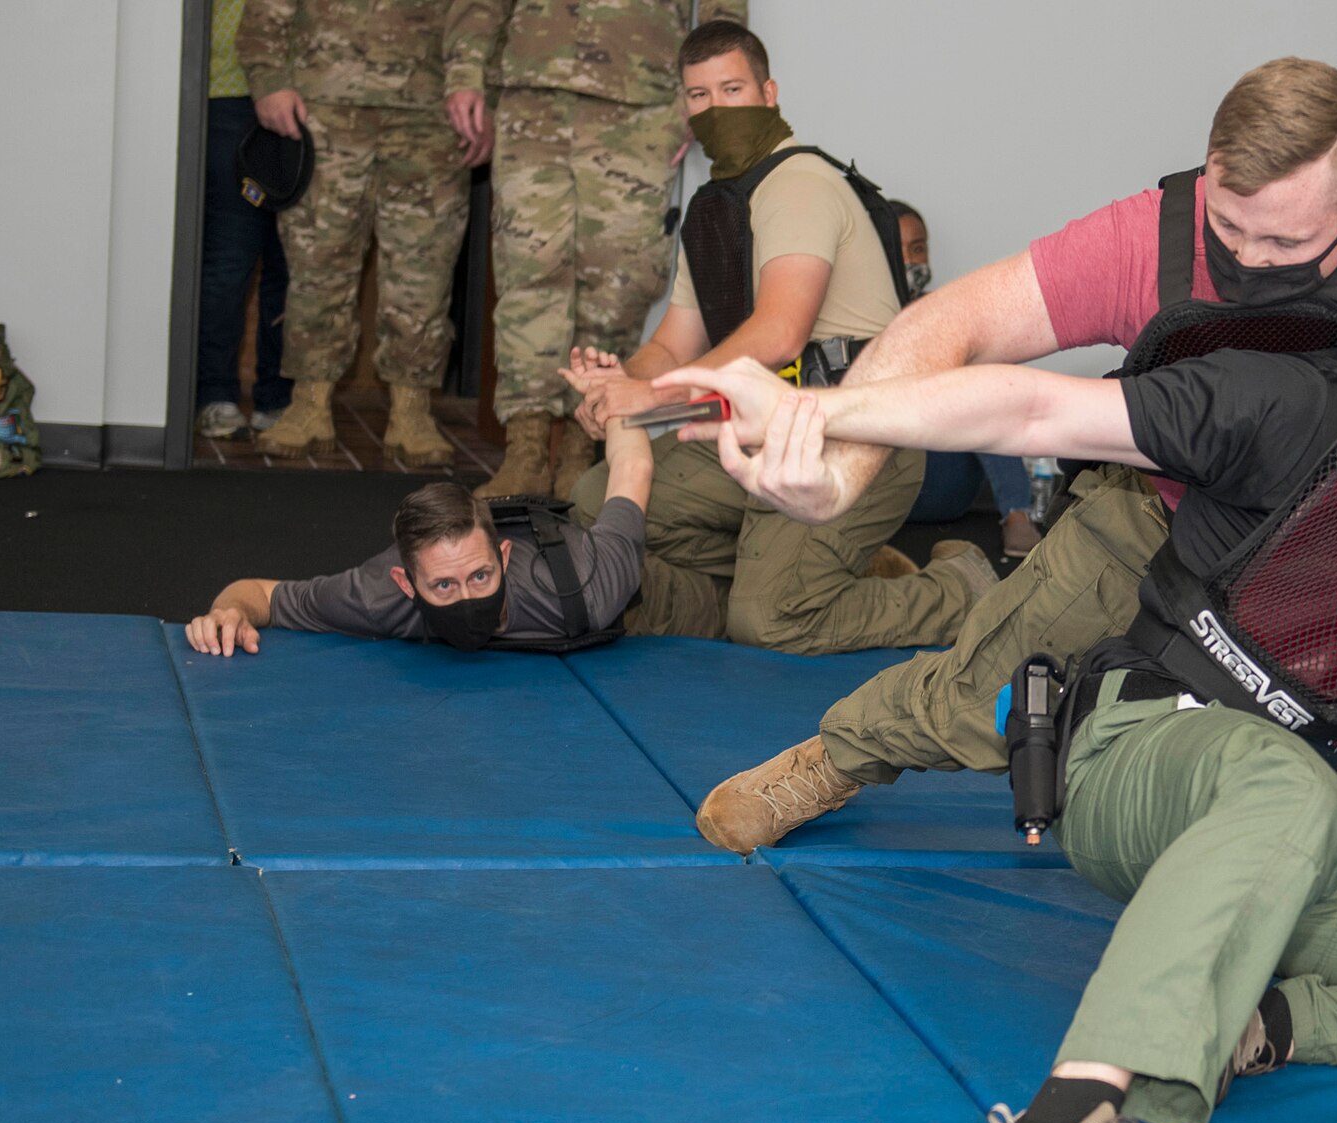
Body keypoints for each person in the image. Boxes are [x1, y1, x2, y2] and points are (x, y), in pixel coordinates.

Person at [669, 205, 1337, 1123]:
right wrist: (828, 415)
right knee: (1288, 786)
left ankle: (1256, 1023)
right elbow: (1033, 406)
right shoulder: (1289, 400)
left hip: (1270, 813)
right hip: (1137, 749)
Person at [687, 58, 1337, 856]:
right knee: (986, 685)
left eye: (1286, 240)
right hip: (1158, 513)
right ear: (1207, 174)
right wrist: (837, 462)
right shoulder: (1150, 236)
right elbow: (971, 341)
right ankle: (839, 754)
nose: (1251, 259)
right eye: (1231, 224)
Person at [560, 21, 997, 654]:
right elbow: (671, 346)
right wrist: (616, 386)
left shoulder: (799, 183)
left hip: (854, 435)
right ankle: (764, 584)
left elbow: (779, 333)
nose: (716, 109)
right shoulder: (713, 209)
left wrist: (648, 398)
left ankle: (960, 589)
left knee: (771, 622)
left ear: (769, 92)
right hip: (758, 431)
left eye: (731, 89)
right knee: (598, 499)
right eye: (699, 96)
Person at [443, 0, 747, 502]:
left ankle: (585, 451)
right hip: (531, 93)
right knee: (529, 271)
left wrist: (702, 98)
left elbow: (723, 9)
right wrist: (464, 73)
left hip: (641, 104)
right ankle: (525, 450)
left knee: (618, 284)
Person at [239, 0, 494, 464]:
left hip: (433, 114)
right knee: (318, 264)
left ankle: (412, 411)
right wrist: (269, 81)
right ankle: (309, 405)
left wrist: (483, 97)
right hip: (322, 109)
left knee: (425, 271)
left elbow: (481, 12)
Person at [184, 414, 650, 655]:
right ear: (407, 584)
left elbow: (632, 468)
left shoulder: (584, 586)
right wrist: (227, 613)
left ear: (504, 557)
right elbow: (260, 593)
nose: (468, 597)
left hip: (648, 600)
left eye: (481, 577)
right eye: (444, 586)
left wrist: (613, 400)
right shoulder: (379, 596)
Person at [887, 200, 1044, 558]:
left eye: (918, 248)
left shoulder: (950, 314)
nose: (911, 261)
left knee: (983, 374)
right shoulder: (851, 320)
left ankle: (1017, 514)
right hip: (876, 488)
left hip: (941, 484)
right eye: (898, 250)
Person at [196, 0, 293, 442]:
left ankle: (278, 398)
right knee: (229, 259)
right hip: (229, 97)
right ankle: (213, 395)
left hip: (312, 104)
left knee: (292, 265)